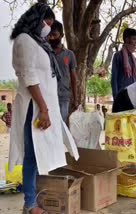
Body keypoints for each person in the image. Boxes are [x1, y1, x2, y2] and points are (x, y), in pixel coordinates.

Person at [8, 4, 78, 214]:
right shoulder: (24, 41)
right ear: (36, 20)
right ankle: (30, 204)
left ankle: (35, 197)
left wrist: (49, 109)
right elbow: (29, 77)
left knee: (42, 155)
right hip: (35, 107)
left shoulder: (39, 43)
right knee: (32, 155)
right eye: (46, 23)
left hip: (45, 106)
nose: (48, 28)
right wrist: (44, 110)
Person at [48, 20, 77, 122]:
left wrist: (75, 99)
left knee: (61, 125)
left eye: (54, 35)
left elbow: (73, 77)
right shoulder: (44, 53)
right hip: (47, 96)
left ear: (62, 35)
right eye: (49, 35)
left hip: (63, 97)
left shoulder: (69, 55)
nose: (51, 38)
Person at [111, 28, 136, 99]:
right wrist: (116, 98)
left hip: (132, 98)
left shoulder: (134, 60)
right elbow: (114, 80)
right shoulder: (118, 56)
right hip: (121, 97)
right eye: (133, 39)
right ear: (127, 39)